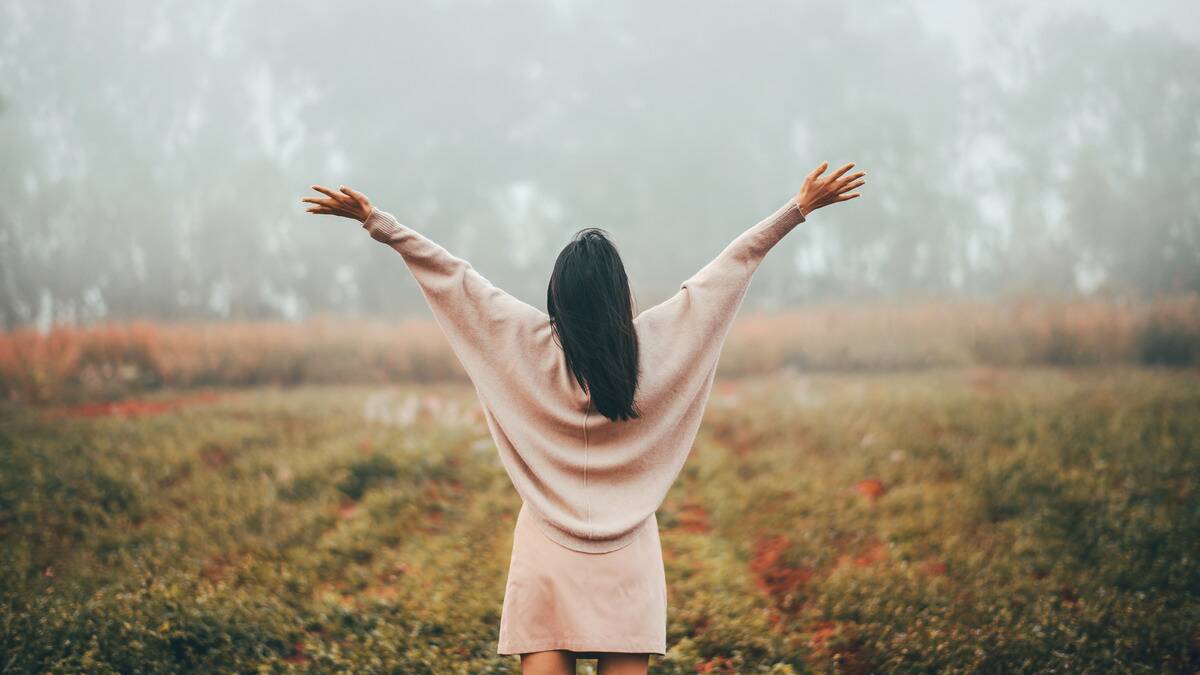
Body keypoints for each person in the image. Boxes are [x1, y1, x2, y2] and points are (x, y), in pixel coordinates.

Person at [302, 162, 865, 674]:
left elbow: (455, 278)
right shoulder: (657, 345)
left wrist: (378, 221)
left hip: (546, 550)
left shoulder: (525, 343)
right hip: (629, 558)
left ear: (558, 300)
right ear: (621, 296)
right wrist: (797, 210)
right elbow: (728, 271)